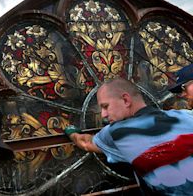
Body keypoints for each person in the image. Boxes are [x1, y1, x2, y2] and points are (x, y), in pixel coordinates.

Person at [64, 78, 193, 195]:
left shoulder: (117, 133)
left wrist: (72, 132)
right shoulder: (186, 116)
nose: (103, 114)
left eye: (105, 106)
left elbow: (86, 143)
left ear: (125, 100)